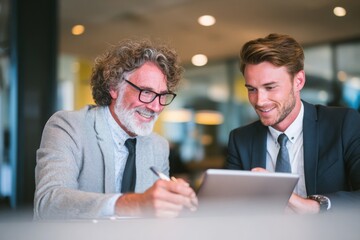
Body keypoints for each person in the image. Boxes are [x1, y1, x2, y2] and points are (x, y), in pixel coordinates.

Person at [34, 39, 198, 220]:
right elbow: (48, 203)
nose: (156, 107)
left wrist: (177, 203)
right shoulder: (68, 127)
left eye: (162, 96)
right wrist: (134, 204)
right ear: (114, 87)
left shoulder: (159, 146)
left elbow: (156, 217)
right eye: (146, 92)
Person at [227, 33, 360, 214]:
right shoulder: (240, 139)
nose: (259, 101)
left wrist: (313, 205)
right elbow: (229, 208)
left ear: (298, 81)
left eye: (270, 87)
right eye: (251, 89)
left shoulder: (343, 124)